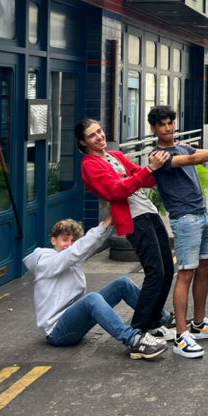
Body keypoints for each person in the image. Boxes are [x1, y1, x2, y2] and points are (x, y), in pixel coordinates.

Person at [148, 105, 208, 359]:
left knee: (205, 268)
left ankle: (199, 323)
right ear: (154, 129)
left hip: (201, 214)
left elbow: (196, 153)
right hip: (185, 219)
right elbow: (193, 160)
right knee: (186, 274)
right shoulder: (158, 155)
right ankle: (181, 335)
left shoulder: (182, 147)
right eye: (162, 124)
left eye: (170, 123)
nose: (168, 128)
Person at [76, 119, 176, 342]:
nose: (99, 137)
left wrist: (158, 164)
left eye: (99, 131)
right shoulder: (89, 165)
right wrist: (148, 170)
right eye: (92, 135)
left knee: (167, 269)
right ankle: (138, 330)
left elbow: (145, 180)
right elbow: (115, 191)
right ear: (83, 142)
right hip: (133, 218)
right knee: (155, 272)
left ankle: (153, 323)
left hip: (148, 211)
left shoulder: (116, 156)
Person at [24, 217, 167, 360]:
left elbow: (89, 247)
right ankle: (134, 341)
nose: (69, 245)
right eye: (64, 240)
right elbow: (74, 252)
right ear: (53, 240)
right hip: (58, 332)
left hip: (75, 323)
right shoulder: (46, 261)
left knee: (122, 283)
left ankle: (161, 319)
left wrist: (109, 225)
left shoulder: (71, 260)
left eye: (73, 241)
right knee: (92, 299)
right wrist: (104, 224)